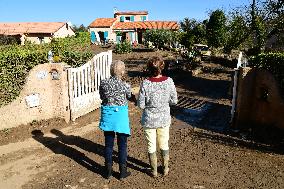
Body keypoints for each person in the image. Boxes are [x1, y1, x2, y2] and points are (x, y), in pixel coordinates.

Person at [137, 56, 178, 177]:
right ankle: (165, 169)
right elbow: (174, 101)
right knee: (164, 143)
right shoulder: (169, 81)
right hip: (164, 119)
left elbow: (141, 105)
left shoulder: (145, 83)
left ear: (149, 69)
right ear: (162, 67)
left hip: (149, 120)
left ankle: (154, 170)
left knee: (151, 144)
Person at [99, 60, 135, 180]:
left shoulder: (103, 83)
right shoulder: (125, 85)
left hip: (108, 115)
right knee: (122, 145)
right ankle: (122, 172)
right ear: (123, 71)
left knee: (108, 145)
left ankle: (108, 171)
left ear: (110, 70)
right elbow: (130, 96)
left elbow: (102, 97)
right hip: (120, 117)